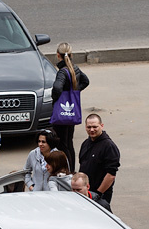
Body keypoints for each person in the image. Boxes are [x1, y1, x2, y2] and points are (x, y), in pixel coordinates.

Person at [49, 42, 89, 172]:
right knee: (69, 142)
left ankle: (65, 170)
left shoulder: (62, 72)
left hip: (61, 114)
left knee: (61, 144)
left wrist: (56, 99)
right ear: (71, 55)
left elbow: (57, 88)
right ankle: (72, 170)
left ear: (58, 55)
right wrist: (75, 92)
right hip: (71, 112)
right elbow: (86, 81)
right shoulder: (75, 68)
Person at [78, 114, 120, 204]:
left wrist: (98, 194)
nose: (92, 130)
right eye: (89, 127)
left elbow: (111, 175)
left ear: (101, 126)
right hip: (85, 193)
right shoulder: (85, 143)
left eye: (95, 127)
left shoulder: (109, 146)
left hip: (100, 195)